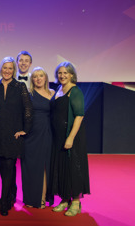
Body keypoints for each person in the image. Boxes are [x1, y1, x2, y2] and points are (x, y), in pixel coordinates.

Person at [0, 57, 33, 216]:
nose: (7, 71)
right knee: (1, 169)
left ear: (14, 70)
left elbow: (28, 109)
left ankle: (4, 200)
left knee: (8, 168)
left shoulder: (20, 86)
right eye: (4, 68)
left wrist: (25, 129)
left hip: (13, 134)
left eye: (10, 68)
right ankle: (10, 194)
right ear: (0, 69)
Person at [49, 62, 90, 216]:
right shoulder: (59, 89)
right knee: (62, 168)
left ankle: (76, 202)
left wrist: (70, 137)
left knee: (73, 168)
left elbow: (79, 115)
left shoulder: (75, 91)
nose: (62, 75)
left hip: (71, 136)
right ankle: (65, 199)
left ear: (72, 74)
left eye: (66, 73)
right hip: (58, 137)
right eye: (60, 73)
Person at [21, 67, 55, 209]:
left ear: (46, 78)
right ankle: (30, 198)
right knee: (31, 167)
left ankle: (41, 198)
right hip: (31, 134)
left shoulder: (53, 93)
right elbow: (21, 113)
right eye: (35, 76)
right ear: (32, 79)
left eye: (41, 76)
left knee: (45, 167)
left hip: (48, 133)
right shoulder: (28, 93)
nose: (38, 79)